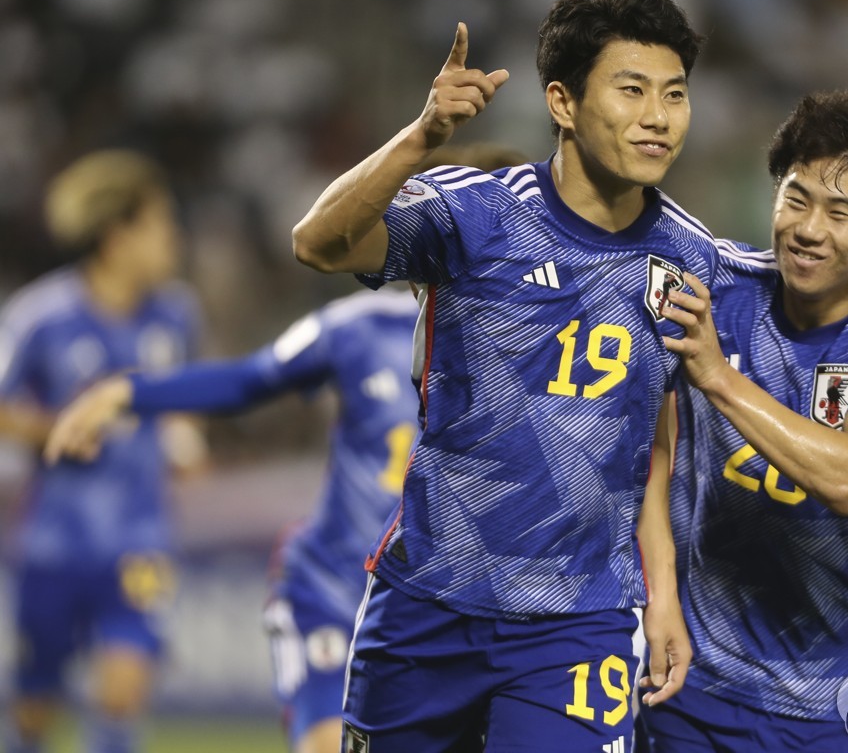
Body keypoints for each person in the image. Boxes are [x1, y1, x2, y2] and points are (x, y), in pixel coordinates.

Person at [290, 0, 713, 752]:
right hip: (427, 602)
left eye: (675, 94)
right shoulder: (473, 214)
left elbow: (655, 446)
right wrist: (422, 135)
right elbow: (317, 243)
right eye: (632, 90)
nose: (658, 116)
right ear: (562, 102)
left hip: (577, 624)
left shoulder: (694, 262)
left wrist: (663, 597)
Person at [42, 143, 527, 753]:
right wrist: (127, 394)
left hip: (448, 606)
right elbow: (250, 380)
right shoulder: (355, 330)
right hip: (334, 590)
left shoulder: (542, 359)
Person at [638, 90, 848, 752]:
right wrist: (660, 598)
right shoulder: (715, 286)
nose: (808, 228)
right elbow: (651, 453)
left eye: (840, 212)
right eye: (796, 198)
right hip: (690, 684)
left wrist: (718, 377)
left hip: (832, 707)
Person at [0, 149, 204, 753]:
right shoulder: (41, 316)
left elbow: (180, 408)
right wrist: (59, 429)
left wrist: (186, 438)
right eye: (161, 224)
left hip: (142, 536)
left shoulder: (176, 316)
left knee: (122, 689)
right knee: (35, 705)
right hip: (54, 541)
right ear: (118, 235)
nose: (175, 239)